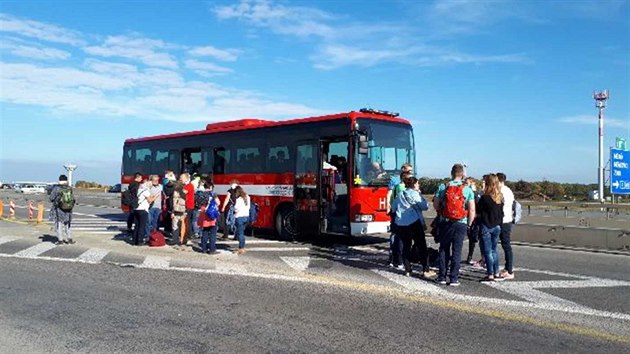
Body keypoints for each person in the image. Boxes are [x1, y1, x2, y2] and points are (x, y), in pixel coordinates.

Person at [433, 163, 476, 286]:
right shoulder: (467, 189)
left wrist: (441, 212)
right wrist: (469, 224)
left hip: (445, 222)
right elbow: (472, 210)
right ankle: (454, 279)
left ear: (451, 173)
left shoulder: (443, 187)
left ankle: (441, 277)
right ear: (462, 174)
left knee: (443, 249)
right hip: (461, 223)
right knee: (457, 251)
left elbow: (435, 204)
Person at [392, 176, 436, 278]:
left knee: (406, 246)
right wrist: (420, 194)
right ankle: (426, 270)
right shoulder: (415, 194)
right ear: (414, 184)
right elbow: (425, 206)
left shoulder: (400, 194)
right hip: (413, 222)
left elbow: (394, 208)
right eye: (418, 183)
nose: (419, 185)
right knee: (421, 246)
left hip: (401, 224)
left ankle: (408, 269)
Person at [477, 174, 505, 282]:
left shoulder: (485, 197)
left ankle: (490, 274)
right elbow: (501, 213)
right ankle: (496, 272)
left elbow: (479, 211)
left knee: (487, 251)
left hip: (486, 225)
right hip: (497, 226)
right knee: (494, 250)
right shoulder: (500, 197)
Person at [388, 170, 413, 270]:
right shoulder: (401, 188)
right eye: (410, 178)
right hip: (402, 216)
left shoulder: (398, 187)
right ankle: (399, 261)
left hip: (399, 215)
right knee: (401, 240)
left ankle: (396, 260)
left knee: (399, 239)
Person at [497, 172, 516, 280]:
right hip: (508, 220)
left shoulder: (500, 191)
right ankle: (508, 268)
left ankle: (508, 270)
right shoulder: (509, 190)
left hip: (501, 220)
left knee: (501, 246)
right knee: (506, 246)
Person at [49, 174, 75, 245]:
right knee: (67, 223)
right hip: (68, 209)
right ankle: (69, 238)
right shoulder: (69, 188)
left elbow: (51, 198)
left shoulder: (56, 188)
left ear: (59, 180)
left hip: (59, 209)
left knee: (59, 223)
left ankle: (60, 240)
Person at [197, 181, 221, 254]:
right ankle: (212, 249)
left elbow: (198, 203)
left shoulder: (200, 194)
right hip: (211, 214)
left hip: (203, 213)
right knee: (213, 233)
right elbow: (218, 203)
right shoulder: (213, 194)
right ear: (210, 187)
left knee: (205, 231)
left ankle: (204, 249)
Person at [464, 177, 481, 264]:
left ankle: (481, 258)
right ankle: (470, 257)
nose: (465, 185)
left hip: (475, 219)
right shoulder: (465, 193)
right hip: (467, 218)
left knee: (474, 239)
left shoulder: (476, 194)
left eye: (467, 183)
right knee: (471, 239)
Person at [134, 180, 156, 245]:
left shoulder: (139, 190)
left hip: (136, 209)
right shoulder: (146, 191)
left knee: (137, 225)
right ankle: (140, 241)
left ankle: (135, 240)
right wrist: (154, 197)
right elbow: (150, 200)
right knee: (142, 226)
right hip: (143, 209)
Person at [233, 186, 250, 255]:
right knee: (242, 232)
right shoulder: (247, 197)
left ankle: (241, 248)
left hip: (239, 217)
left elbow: (236, 208)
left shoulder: (239, 199)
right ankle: (242, 247)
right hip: (246, 217)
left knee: (240, 233)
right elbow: (248, 207)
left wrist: (233, 208)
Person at [170, 180, 187, 247]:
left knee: (175, 226)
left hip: (177, 210)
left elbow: (174, 203)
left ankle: (175, 240)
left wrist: (172, 212)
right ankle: (183, 240)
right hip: (184, 210)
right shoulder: (186, 191)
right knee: (183, 227)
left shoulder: (176, 192)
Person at [181, 173, 195, 245]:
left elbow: (183, 192)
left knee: (187, 222)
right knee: (187, 222)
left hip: (188, 206)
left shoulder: (188, 185)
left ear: (186, 178)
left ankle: (188, 237)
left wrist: (179, 187)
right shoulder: (189, 185)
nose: (181, 180)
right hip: (190, 205)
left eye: (182, 178)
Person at [162, 170, 176, 235]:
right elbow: (168, 191)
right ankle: (169, 230)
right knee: (170, 216)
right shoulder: (167, 183)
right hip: (171, 201)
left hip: (171, 201)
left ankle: (168, 230)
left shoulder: (169, 183)